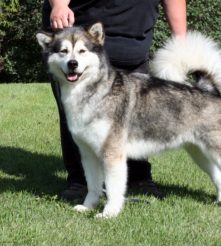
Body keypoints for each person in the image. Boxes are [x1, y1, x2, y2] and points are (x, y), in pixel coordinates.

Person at [41, 0, 187, 201]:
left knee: (136, 118)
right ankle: (81, 183)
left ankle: (138, 178)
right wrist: (58, 4)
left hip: (134, 42)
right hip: (79, 34)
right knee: (78, 120)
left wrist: (181, 39)